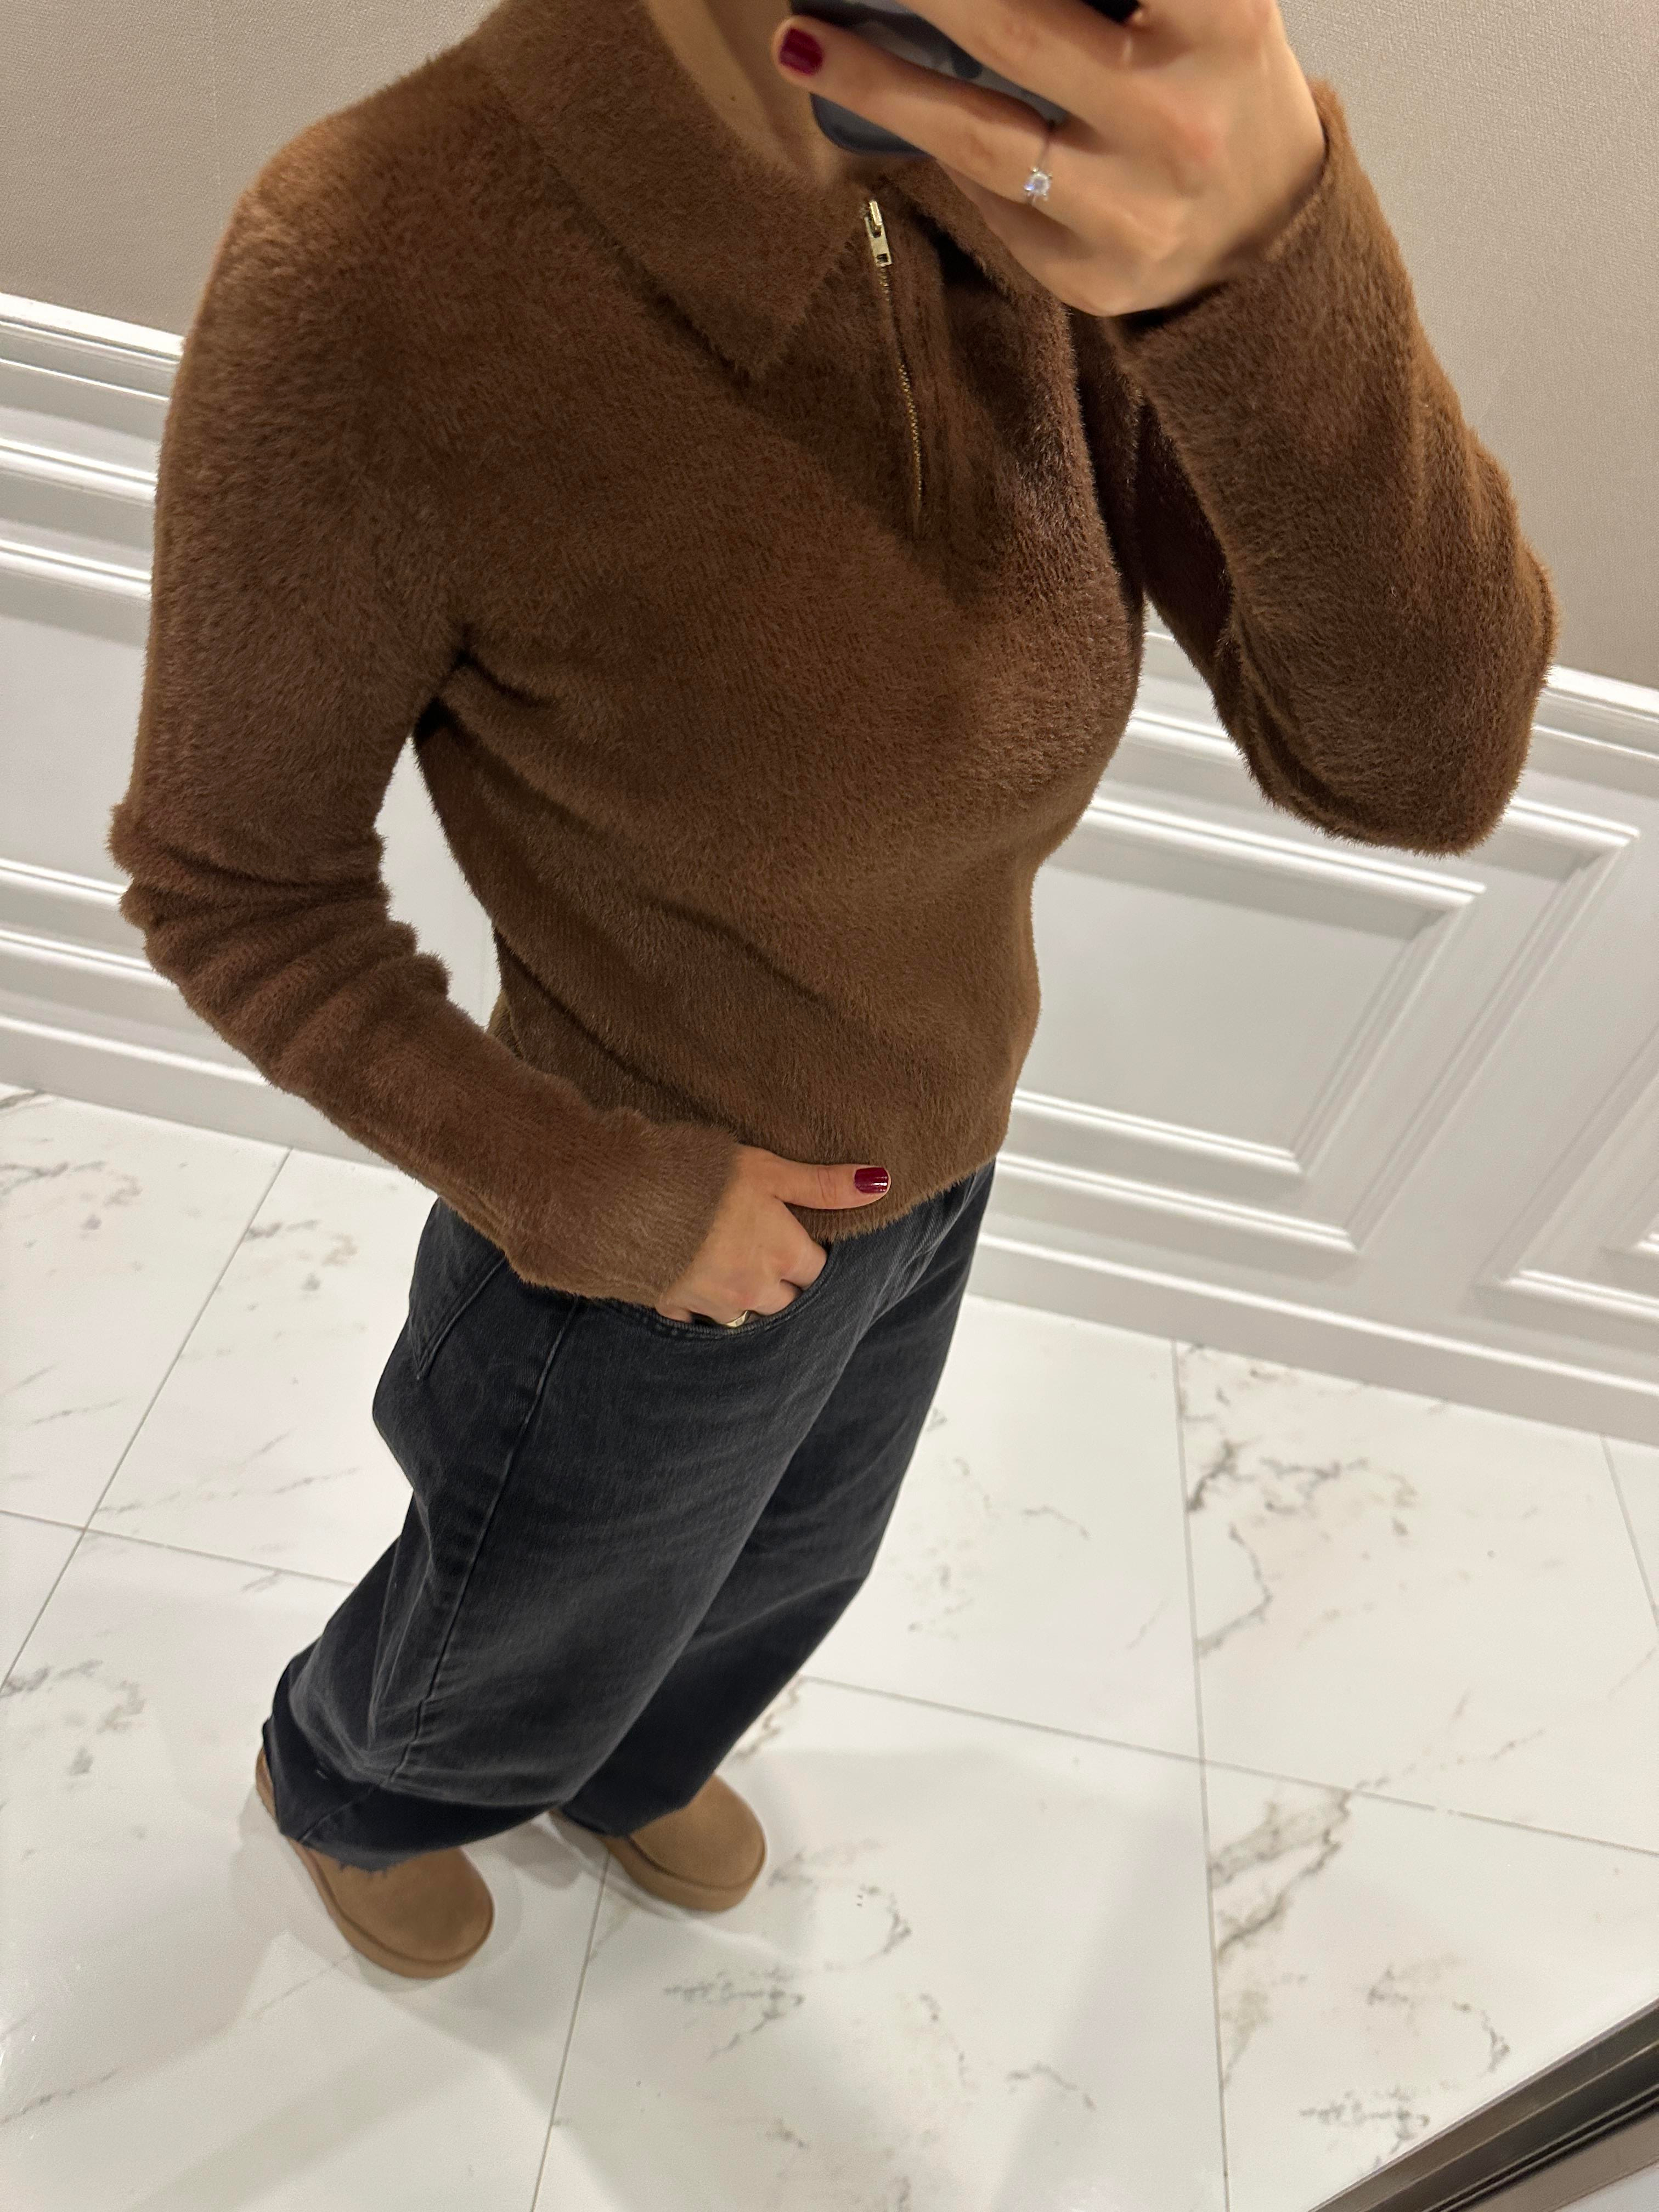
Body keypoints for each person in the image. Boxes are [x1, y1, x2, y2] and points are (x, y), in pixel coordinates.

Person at [107, 0, 1559, 1978]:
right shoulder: (379, 264)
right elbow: (230, 889)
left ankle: (627, 1763)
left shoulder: (1025, 163)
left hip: (928, 1160)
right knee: (514, 1619)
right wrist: (609, 1200)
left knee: (789, 1565)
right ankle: (353, 1788)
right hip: (635, 1237)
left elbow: (1416, 768)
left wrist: (1266, 258)